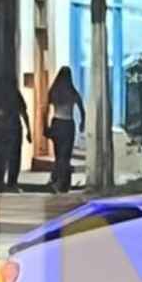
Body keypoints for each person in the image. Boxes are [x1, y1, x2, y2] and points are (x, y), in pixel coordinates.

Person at [0, 73, 28, 192]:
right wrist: (29, 130)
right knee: (14, 157)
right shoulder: (14, 93)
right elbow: (23, 111)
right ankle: (12, 184)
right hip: (13, 128)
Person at [45, 66, 83, 194]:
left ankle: (56, 180)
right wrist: (82, 123)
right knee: (65, 156)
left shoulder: (54, 91)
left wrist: (45, 126)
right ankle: (62, 182)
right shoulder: (72, 92)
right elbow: (82, 109)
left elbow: (46, 109)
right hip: (68, 125)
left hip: (56, 123)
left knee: (58, 155)